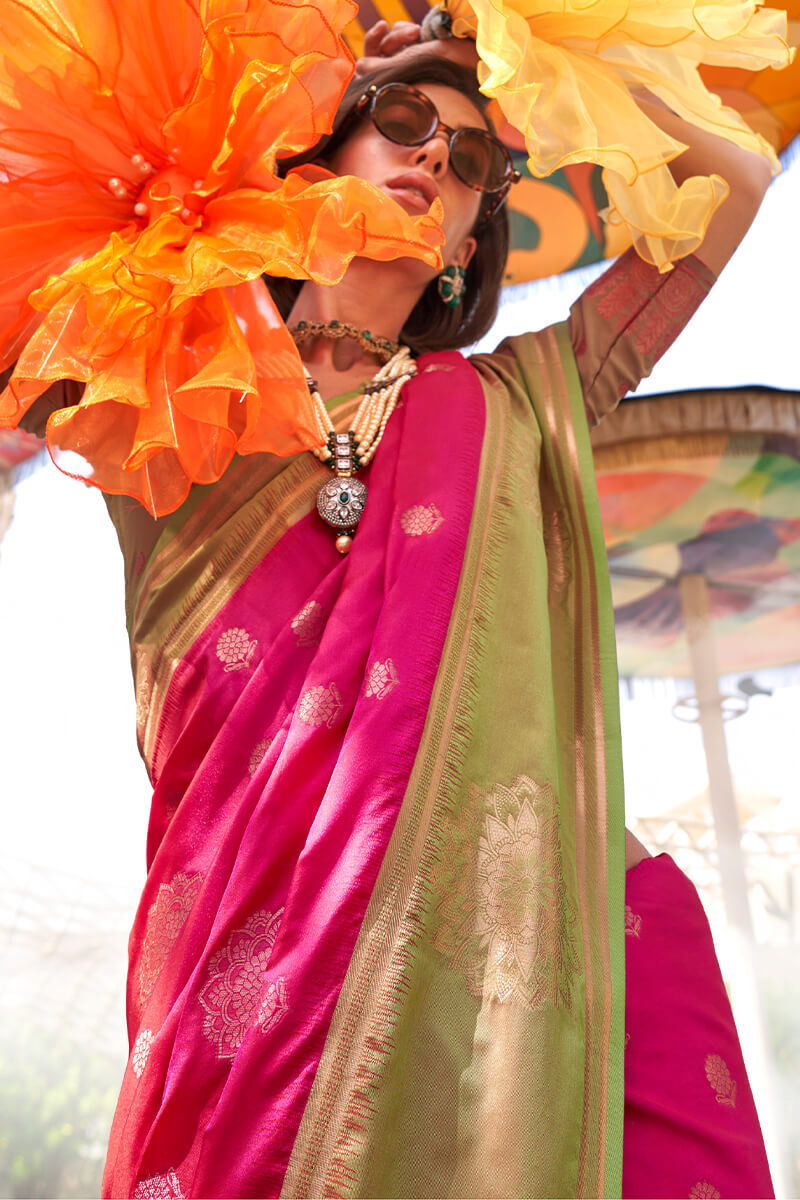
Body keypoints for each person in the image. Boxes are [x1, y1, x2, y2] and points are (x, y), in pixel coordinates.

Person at [5, 17, 777, 1200]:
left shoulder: (528, 397)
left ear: (475, 236)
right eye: (403, 125)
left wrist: (525, 56)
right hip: (251, 983)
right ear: (318, 159)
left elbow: (729, 169)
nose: (435, 160)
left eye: (473, 161)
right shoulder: (170, 369)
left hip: (507, 985)